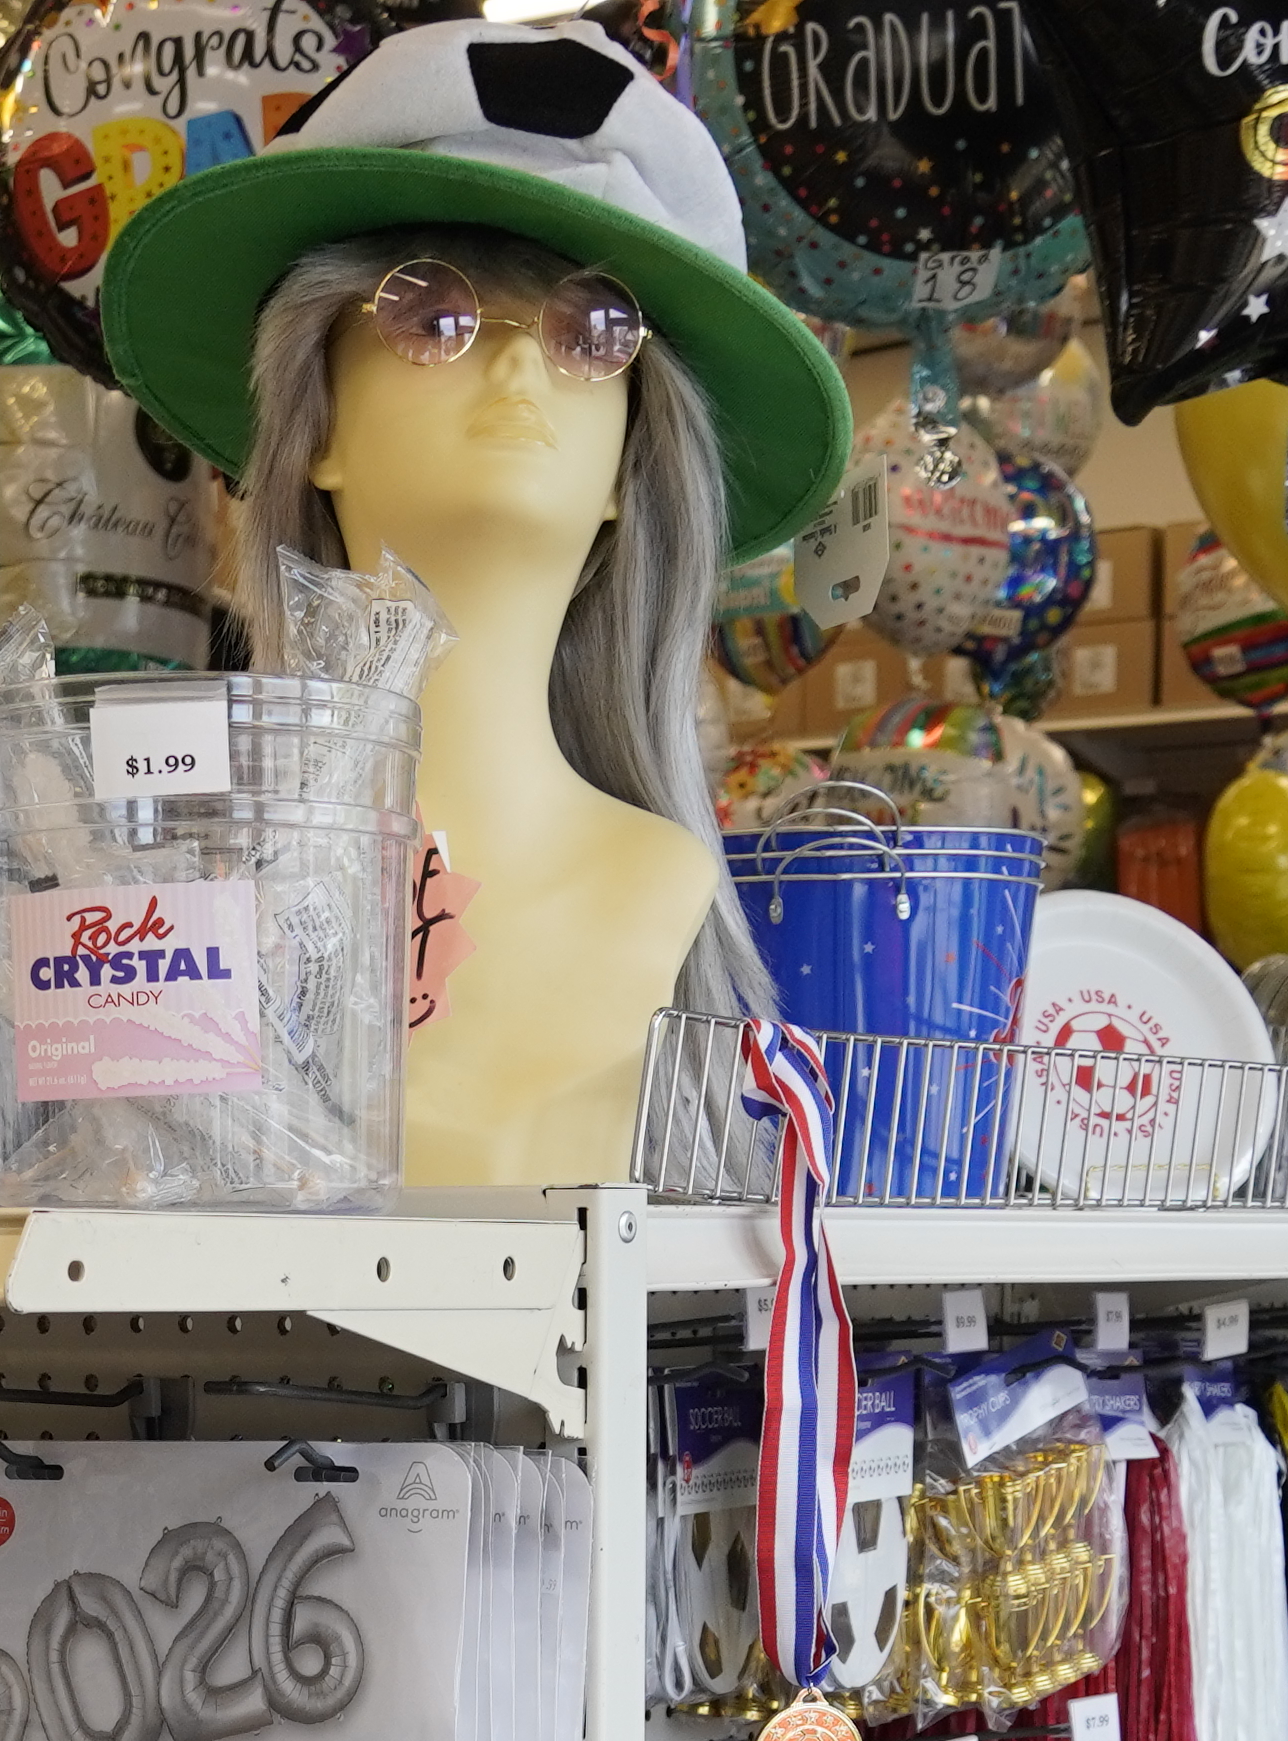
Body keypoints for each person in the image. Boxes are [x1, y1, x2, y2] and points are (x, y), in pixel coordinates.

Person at [91, 16, 851, 1187]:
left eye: (593, 334)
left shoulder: (652, 887)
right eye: (428, 314)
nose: (517, 364)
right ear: (315, 426)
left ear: (631, 465)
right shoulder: (182, 891)